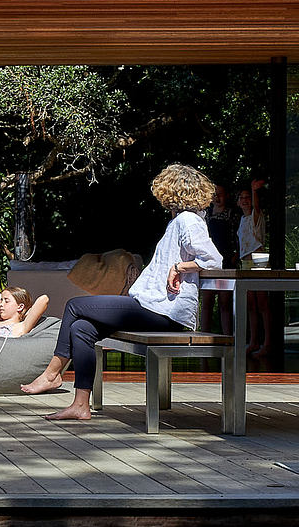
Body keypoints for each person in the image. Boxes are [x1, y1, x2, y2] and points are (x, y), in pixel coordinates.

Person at [20, 163, 222, 420]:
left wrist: (178, 267)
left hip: (163, 312)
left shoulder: (188, 220)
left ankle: (52, 374)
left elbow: (213, 259)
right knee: (81, 328)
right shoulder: (179, 221)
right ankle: (80, 405)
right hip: (152, 306)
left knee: (75, 305)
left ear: (172, 190)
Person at [237, 176, 270, 355]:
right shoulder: (242, 220)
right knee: (251, 304)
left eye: (247, 197)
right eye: (241, 198)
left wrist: (254, 190)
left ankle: (267, 343)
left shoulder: (256, 216)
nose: (245, 200)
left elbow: (256, 207)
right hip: (246, 262)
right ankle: (254, 341)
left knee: (262, 303)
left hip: (259, 261)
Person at [199, 181, 235, 338]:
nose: (217, 197)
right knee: (206, 301)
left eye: (220, 194)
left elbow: (238, 237)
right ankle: (203, 336)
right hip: (208, 262)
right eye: (214, 194)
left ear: (226, 196)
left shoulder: (231, 214)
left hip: (226, 261)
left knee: (224, 301)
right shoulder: (206, 215)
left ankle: (227, 338)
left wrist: (236, 254)